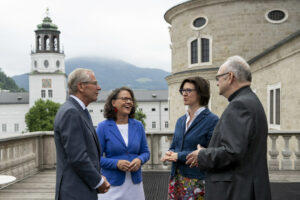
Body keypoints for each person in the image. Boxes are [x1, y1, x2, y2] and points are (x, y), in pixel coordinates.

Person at [186, 56, 272, 200]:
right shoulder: (250, 100)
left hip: (237, 191)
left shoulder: (239, 105)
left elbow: (232, 152)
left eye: (218, 77)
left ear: (230, 77)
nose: (217, 82)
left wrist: (202, 155)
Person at [54, 68, 110, 200]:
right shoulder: (71, 112)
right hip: (75, 192)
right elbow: (78, 157)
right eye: (95, 83)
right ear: (81, 86)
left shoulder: (78, 110)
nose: (99, 88)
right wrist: (99, 182)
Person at [161, 77, 219, 200]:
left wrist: (178, 156)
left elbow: (210, 152)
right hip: (175, 178)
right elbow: (175, 145)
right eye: (183, 90)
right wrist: (170, 152)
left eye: (188, 90)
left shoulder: (212, 120)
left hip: (196, 180)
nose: (184, 93)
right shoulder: (180, 121)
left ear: (200, 92)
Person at [96, 87, 150, 200]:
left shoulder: (138, 125)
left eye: (131, 99)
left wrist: (140, 160)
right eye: (125, 98)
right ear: (113, 103)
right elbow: (96, 158)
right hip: (112, 185)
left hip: (135, 185)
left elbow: (145, 152)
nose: (129, 102)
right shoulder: (103, 127)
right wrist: (116, 163)